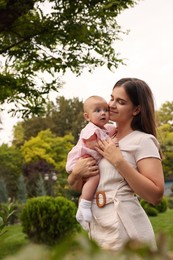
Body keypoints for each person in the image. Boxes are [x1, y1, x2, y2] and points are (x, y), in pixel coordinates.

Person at [67, 78, 164, 251]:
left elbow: (155, 196)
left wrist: (118, 161)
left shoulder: (143, 141)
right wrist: (75, 173)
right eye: (111, 98)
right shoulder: (101, 137)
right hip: (98, 227)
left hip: (126, 228)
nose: (111, 105)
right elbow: (77, 187)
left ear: (136, 109)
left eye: (120, 102)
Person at [66, 95, 116, 227]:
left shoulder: (106, 128)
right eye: (97, 111)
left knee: (92, 180)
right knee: (94, 177)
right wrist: (111, 143)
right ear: (87, 117)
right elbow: (91, 144)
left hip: (91, 158)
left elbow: (114, 131)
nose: (103, 113)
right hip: (84, 158)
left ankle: (81, 210)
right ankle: (85, 203)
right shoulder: (90, 129)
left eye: (105, 110)